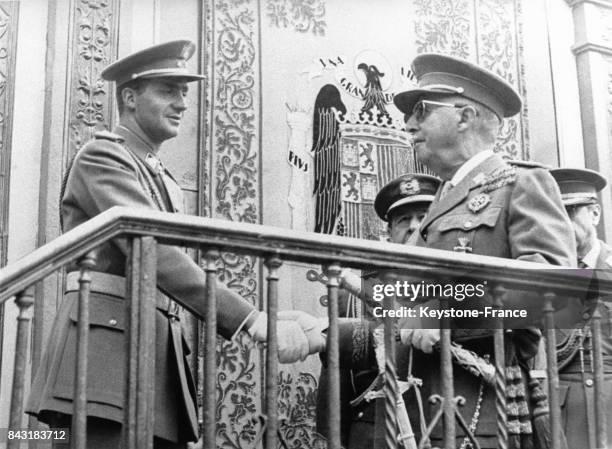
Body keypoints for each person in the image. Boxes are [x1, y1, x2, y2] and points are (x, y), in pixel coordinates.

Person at [26, 40, 318, 449]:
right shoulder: (102, 157)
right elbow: (156, 253)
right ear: (129, 97)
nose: (182, 102)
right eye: (168, 90)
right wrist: (250, 319)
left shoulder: (158, 175)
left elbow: (173, 267)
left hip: (153, 352)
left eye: (184, 92)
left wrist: (267, 314)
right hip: (103, 358)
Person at [389, 53, 576, 448]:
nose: (409, 124)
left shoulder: (521, 184)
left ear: (464, 116)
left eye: (421, 110)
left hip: (488, 406)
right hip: (427, 404)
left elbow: (555, 292)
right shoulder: (440, 200)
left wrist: (443, 314)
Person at [315, 173, 441, 448]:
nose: (413, 227)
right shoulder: (356, 290)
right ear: (389, 233)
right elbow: (336, 380)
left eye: (423, 217)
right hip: (373, 431)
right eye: (403, 220)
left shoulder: (457, 286)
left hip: (442, 421)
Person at [551, 167, 612, 449]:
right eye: (555, 216)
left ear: (595, 214)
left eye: (571, 212)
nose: (562, 224)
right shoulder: (542, 276)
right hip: (562, 415)